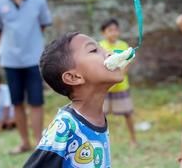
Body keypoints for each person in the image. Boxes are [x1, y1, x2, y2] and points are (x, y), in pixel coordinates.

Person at [24, 32, 124, 167]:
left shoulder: (97, 118)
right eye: (94, 50)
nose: (110, 53)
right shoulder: (65, 126)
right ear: (73, 77)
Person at [0, 0, 52, 154]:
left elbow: (42, 26)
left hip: (34, 59)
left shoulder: (38, 1)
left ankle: (39, 142)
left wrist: (29, 45)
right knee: (17, 102)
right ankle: (24, 142)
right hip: (10, 60)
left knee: (36, 102)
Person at [99, 18, 137, 146]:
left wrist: (119, 75)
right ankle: (100, 140)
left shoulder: (123, 45)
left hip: (121, 86)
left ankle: (133, 139)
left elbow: (127, 63)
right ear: (103, 33)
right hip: (104, 87)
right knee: (99, 115)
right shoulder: (100, 46)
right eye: (110, 30)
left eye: (115, 30)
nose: (113, 33)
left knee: (127, 113)